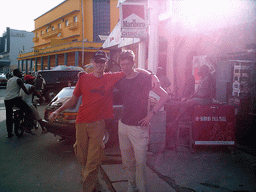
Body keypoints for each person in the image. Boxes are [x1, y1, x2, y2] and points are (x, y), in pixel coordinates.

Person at [48, 50, 126, 192]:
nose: (99, 64)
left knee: (93, 158)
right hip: (81, 122)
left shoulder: (111, 77)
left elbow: (129, 69)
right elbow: (73, 99)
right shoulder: (83, 79)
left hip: (98, 124)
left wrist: (151, 75)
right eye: (97, 61)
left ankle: (88, 188)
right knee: (81, 154)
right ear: (92, 62)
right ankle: (89, 177)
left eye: (102, 61)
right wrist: (57, 111)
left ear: (106, 63)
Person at [115, 50, 170, 192]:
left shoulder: (145, 78)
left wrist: (152, 114)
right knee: (127, 162)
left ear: (133, 63)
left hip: (139, 128)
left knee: (140, 163)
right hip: (123, 126)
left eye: (128, 64)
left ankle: (141, 189)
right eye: (122, 64)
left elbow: (164, 96)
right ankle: (131, 185)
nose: (125, 67)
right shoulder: (120, 78)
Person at [4, 69, 34, 138]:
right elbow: (26, 91)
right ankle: (27, 126)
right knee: (28, 110)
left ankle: (9, 133)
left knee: (9, 117)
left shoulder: (9, 80)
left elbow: (11, 90)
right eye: (20, 73)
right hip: (15, 99)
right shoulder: (19, 80)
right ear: (17, 73)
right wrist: (31, 92)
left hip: (7, 99)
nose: (21, 74)